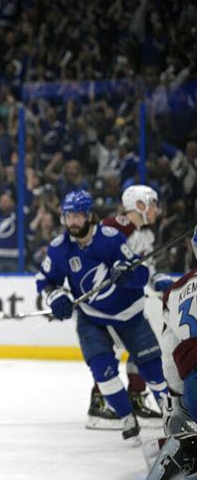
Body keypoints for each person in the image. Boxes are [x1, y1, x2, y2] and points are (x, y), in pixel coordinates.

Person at [35, 189, 168, 446]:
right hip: (92, 317)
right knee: (101, 368)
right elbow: (45, 281)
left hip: (129, 314)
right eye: (67, 216)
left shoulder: (110, 238)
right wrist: (55, 297)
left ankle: (173, 416)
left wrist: (127, 274)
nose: (72, 221)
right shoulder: (60, 248)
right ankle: (127, 417)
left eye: (77, 216)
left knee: (153, 368)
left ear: (89, 216)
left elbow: (139, 275)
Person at [84, 185, 174, 429]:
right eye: (152, 203)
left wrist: (156, 280)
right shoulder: (116, 226)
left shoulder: (145, 234)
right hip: (105, 305)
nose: (157, 209)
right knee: (105, 353)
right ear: (140, 205)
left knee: (142, 350)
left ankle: (135, 395)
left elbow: (144, 269)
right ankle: (100, 401)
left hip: (129, 303)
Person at [146, 226, 197, 479]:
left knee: (183, 418)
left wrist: (177, 399)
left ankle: (183, 448)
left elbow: (168, 353)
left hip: (193, 385)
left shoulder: (176, 290)